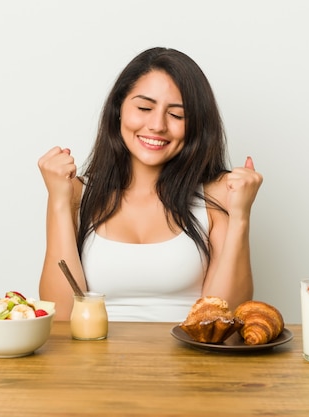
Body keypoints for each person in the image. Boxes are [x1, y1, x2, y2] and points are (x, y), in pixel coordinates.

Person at [38, 47, 263, 321]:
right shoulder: (75, 193)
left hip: (192, 361)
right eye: (144, 108)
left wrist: (241, 215)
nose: (157, 125)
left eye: (177, 115)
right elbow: (61, 317)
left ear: (195, 126)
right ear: (118, 109)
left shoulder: (216, 196)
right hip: (96, 360)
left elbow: (222, 319)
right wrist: (60, 201)